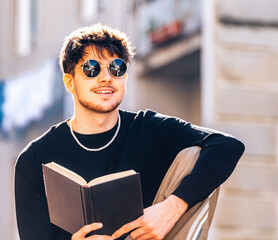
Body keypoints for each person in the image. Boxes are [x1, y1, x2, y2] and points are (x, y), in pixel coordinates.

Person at [14, 24, 244, 240]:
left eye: (116, 68)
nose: (106, 77)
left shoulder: (149, 128)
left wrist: (171, 208)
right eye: (91, 68)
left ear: (124, 78)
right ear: (69, 81)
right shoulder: (34, 159)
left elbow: (227, 146)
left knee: (195, 155)